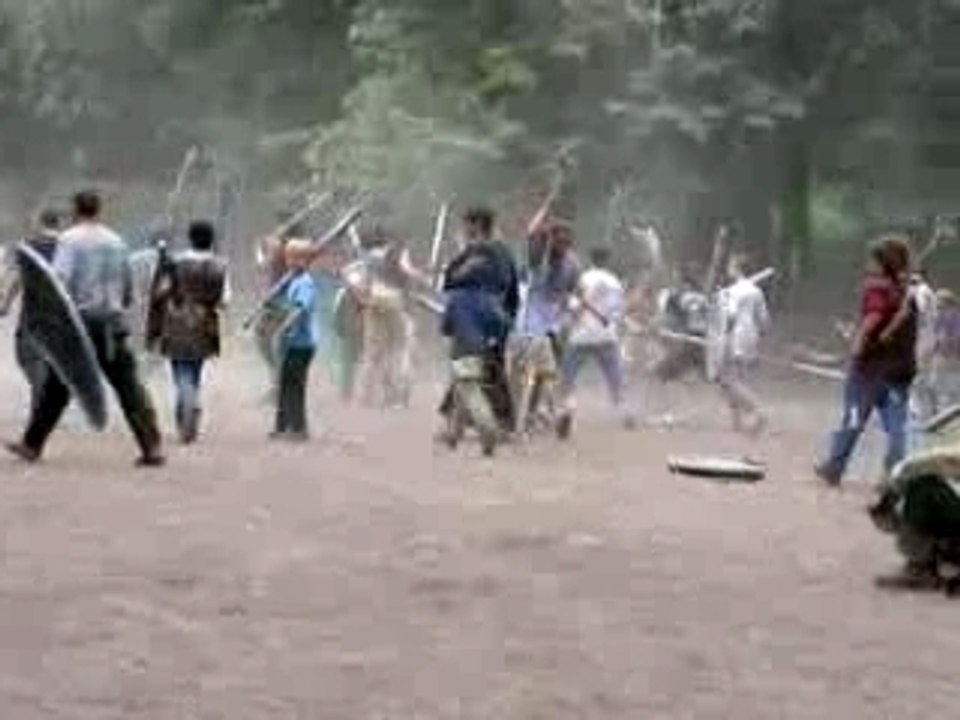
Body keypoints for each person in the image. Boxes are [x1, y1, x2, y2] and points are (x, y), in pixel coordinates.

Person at [6, 191, 165, 467]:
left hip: (79, 324)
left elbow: (60, 281)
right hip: (112, 324)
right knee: (128, 387)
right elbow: (128, 288)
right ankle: (152, 448)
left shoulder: (69, 240)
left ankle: (31, 446)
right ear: (99, 210)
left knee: (57, 386)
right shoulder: (117, 241)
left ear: (75, 210)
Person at [816, 237, 917, 487]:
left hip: (868, 372)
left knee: (853, 419)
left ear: (883, 263)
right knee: (896, 425)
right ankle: (897, 470)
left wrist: (856, 345)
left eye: (872, 259)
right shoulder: (906, 293)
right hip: (899, 372)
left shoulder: (876, 289)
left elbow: (873, 317)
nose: (867, 264)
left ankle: (834, 467)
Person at [439, 207, 520, 443]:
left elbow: (450, 280)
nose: (463, 229)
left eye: (466, 225)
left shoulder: (478, 252)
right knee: (475, 373)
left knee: (476, 372)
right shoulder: (503, 251)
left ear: (475, 225)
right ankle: (456, 427)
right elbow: (512, 291)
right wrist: (508, 317)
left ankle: (497, 425)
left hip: (477, 317)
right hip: (497, 318)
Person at [152, 220, 229, 444]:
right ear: (211, 240)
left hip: (175, 321)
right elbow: (224, 300)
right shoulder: (220, 265)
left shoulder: (175, 262)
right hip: (205, 322)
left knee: (180, 368)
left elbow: (161, 291)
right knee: (195, 368)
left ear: (190, 238)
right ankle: (189, 405)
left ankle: (188, 405)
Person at [556, 247, 634, 438]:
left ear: (591, 259)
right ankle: (625, 412)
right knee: (614, 377)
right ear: (608, 260)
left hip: (581, 335)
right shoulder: (616, 283)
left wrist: (566, 323)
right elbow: (620, 311)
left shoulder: (583, 279)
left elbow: (574, 307)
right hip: (607, 335)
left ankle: (568, 409)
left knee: (568, 378)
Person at [352, 227, 428, 409]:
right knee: (396, 350)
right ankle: (394, 396)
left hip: (374, 300)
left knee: (373, 353)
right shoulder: (398, 253)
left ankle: (365, 396)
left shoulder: (366, 257)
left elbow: (357, 280)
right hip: (393, 300)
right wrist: (422, 277)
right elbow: (409, 272)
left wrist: (363, 298)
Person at [0, 209, 62, 414]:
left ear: (40, 223)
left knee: (27, 356)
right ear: (58, 223)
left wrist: (6, 304)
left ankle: (41, 399)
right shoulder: (68, 247)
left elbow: (19, 278)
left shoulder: (29, 247)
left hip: (33, 314)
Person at [712, 254, 770, 435]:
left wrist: (723, 341)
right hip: (750, 335)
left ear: (737, 269)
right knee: (733, 379)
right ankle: (736, 422)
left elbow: (730, 317)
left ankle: (757, 411)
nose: (729, 269)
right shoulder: (755, 291)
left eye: (731, 266)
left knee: (726, 380)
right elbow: (764, 320)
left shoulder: (732, 292)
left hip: (734, 335)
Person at [271, 239, 320, 440]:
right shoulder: (292, 281)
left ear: (304, 260)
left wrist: (284, 327)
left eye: (293, 257)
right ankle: (282, 425)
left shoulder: (306, 282)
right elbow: (286, 306)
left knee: (295, 386)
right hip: (291, 342)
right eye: (287, 256)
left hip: (302, 343)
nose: (288, 261)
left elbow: (300, 309)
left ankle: (299, 428)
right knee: (284, 383)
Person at [909, 269, 940, 424]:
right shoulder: (930, 292)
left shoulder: (920, 291)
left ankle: (917, 412)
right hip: (930, 337)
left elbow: (919, 312)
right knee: (926, 376)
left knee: (915, 375)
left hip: (921, 338)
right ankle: (934, 409)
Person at [934, 289, 960, 410]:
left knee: (953, 385)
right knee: (940, 385)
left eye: (938, 301)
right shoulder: (940, 316)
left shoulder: (955, 316)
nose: (936, 304)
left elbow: (956, 338)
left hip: (953, 356)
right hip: (942, 355)